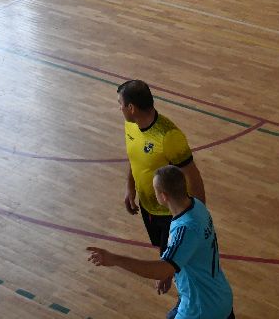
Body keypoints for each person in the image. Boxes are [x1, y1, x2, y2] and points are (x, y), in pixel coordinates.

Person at [88, 165, 234, 319]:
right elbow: (187, 252)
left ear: (163, 196)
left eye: (155, 190)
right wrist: (170, 271)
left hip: (202, 309)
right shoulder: (196, 206)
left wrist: (114, 259)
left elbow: (162, 269)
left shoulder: (185, 228)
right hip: (220, 296)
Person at [117, 80, 207, 298]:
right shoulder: (131, 125)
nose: (119, 108)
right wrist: (130, 187)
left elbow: (193, 177)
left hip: (171, 213)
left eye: (120, 104)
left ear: (131, 107)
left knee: (179, 262)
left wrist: (199, 216)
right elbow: (134, 157)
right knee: (164, 249)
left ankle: (190, 299)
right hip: (148, 208)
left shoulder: (169, 136)